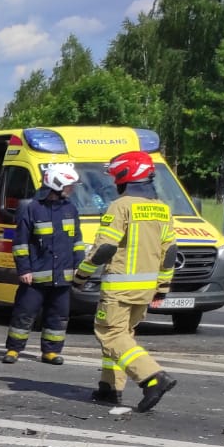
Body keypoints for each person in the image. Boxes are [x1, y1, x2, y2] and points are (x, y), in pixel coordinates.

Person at [74, 150, 178, 412]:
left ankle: (152, 377)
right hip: (146, 287)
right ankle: (110, 388)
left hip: (120, 286)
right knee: (124, 336)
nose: (114, 182)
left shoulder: (121, 206)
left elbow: (104, 249)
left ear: (125, 176)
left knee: (110, 334)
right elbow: (170, 255)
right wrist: (162, 288)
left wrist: (81, 276)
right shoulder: (163, 210)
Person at [3, 163, 83, 365]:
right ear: (57, 185)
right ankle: (14, 349)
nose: (71, 189)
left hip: (63, 276)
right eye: (69, 185)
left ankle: (51, 352)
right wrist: (24, 269)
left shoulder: (70, 209)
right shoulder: (31, 208)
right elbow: (20, 243)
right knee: (24, 313)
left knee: (58, 316)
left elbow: (77, 242)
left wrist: (78, 266)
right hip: (36, 275)